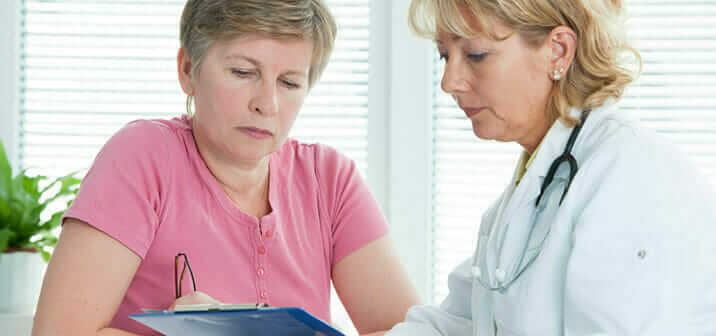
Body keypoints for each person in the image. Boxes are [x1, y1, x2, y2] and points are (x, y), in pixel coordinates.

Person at [32, 1, 420, 335]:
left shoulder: (330, 180)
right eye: (242, 73)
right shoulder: (142, 157)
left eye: (289, 82)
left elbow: (411, 331)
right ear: (187, 69)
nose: (266, 103)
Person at [385, 0, 716, 335]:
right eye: (444, 56)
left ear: (558, 51)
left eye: (475, 55)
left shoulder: (632, 180)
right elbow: (462, 322)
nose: (449, 82)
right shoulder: (531, 191)